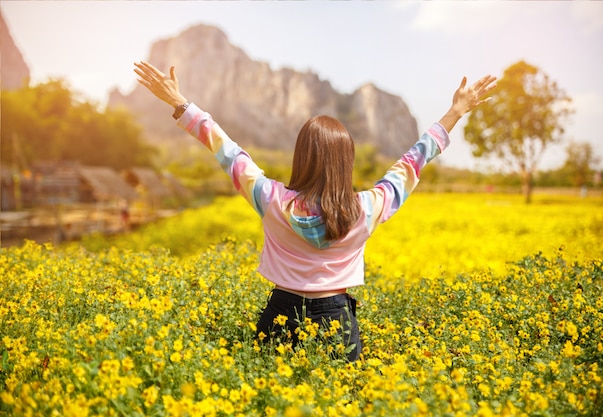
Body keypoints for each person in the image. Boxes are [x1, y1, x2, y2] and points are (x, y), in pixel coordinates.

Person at [134, 61, 496, 361]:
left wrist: (181, 104)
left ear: (300, 157)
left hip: (280, 313)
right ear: (347, 161)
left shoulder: (271, 199)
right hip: (336, 317)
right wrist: (455, 112)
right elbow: (413, 162)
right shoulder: (365, 209)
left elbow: (228, 151)